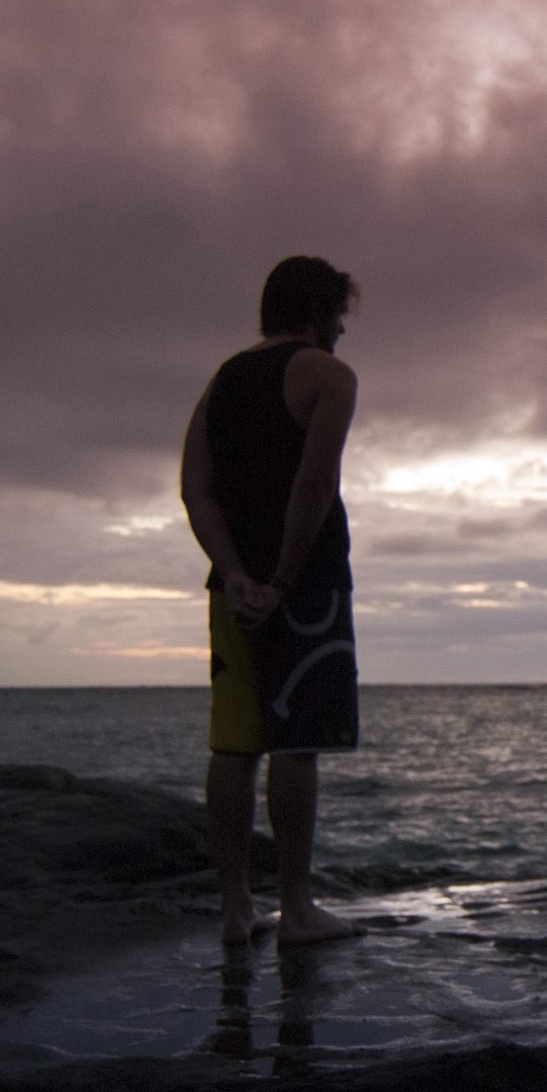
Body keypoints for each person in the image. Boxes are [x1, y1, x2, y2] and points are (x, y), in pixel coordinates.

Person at [180, 256, 364, 945]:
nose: (343, 330)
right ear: (317, 312)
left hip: (232, 590)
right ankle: (296, 909)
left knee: (234, 746)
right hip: (306, 588)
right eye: (339, 315)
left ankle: (235, 910)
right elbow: (313, 486)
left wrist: (233, 573)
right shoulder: (329, 376)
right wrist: (284, 581)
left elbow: (195, 487)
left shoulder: (221, 381)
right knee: (297, 743)